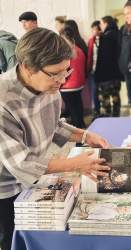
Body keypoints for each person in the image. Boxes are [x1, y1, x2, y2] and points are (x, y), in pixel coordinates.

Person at [0, 27, 110, 250]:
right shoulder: (3, 100)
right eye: (56, 73)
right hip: (5, 186)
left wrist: (85, 135)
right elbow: (21, 163)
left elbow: (55, 124)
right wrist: (74, 164)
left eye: (66, 71)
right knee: (11, 237)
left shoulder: (49, 84)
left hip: (33, 177)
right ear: (28, 67)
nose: (62, 80)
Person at [95, 16, 122, 117]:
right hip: (117, 74)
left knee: (105, 101)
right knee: (116, 98)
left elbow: (103, 59)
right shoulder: (119, 34)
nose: (100, 26)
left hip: (105, 76)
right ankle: (116, 118)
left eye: (101, 24)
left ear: (106, 24)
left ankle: (108, 122)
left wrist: (99, 77)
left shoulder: (106, 37)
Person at [60, 26, 87, 128]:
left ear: (62, 36)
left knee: (73, 110)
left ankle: (79, 135)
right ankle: (81, 126)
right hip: (79, 83)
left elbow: (64, 68)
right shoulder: (78, 49)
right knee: (78, 107)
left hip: (68, 86)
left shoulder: (65, 51)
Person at [87, 21, 102, 121]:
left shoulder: (104, 40)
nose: (92, 31)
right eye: (92, 29)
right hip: (93, 71)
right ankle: (97, 110)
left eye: (94, 29)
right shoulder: (91, 40)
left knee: (103, 93)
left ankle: (104, 112)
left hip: (102, 72)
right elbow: (89, 55)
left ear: (99, 30)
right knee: (95, 92)